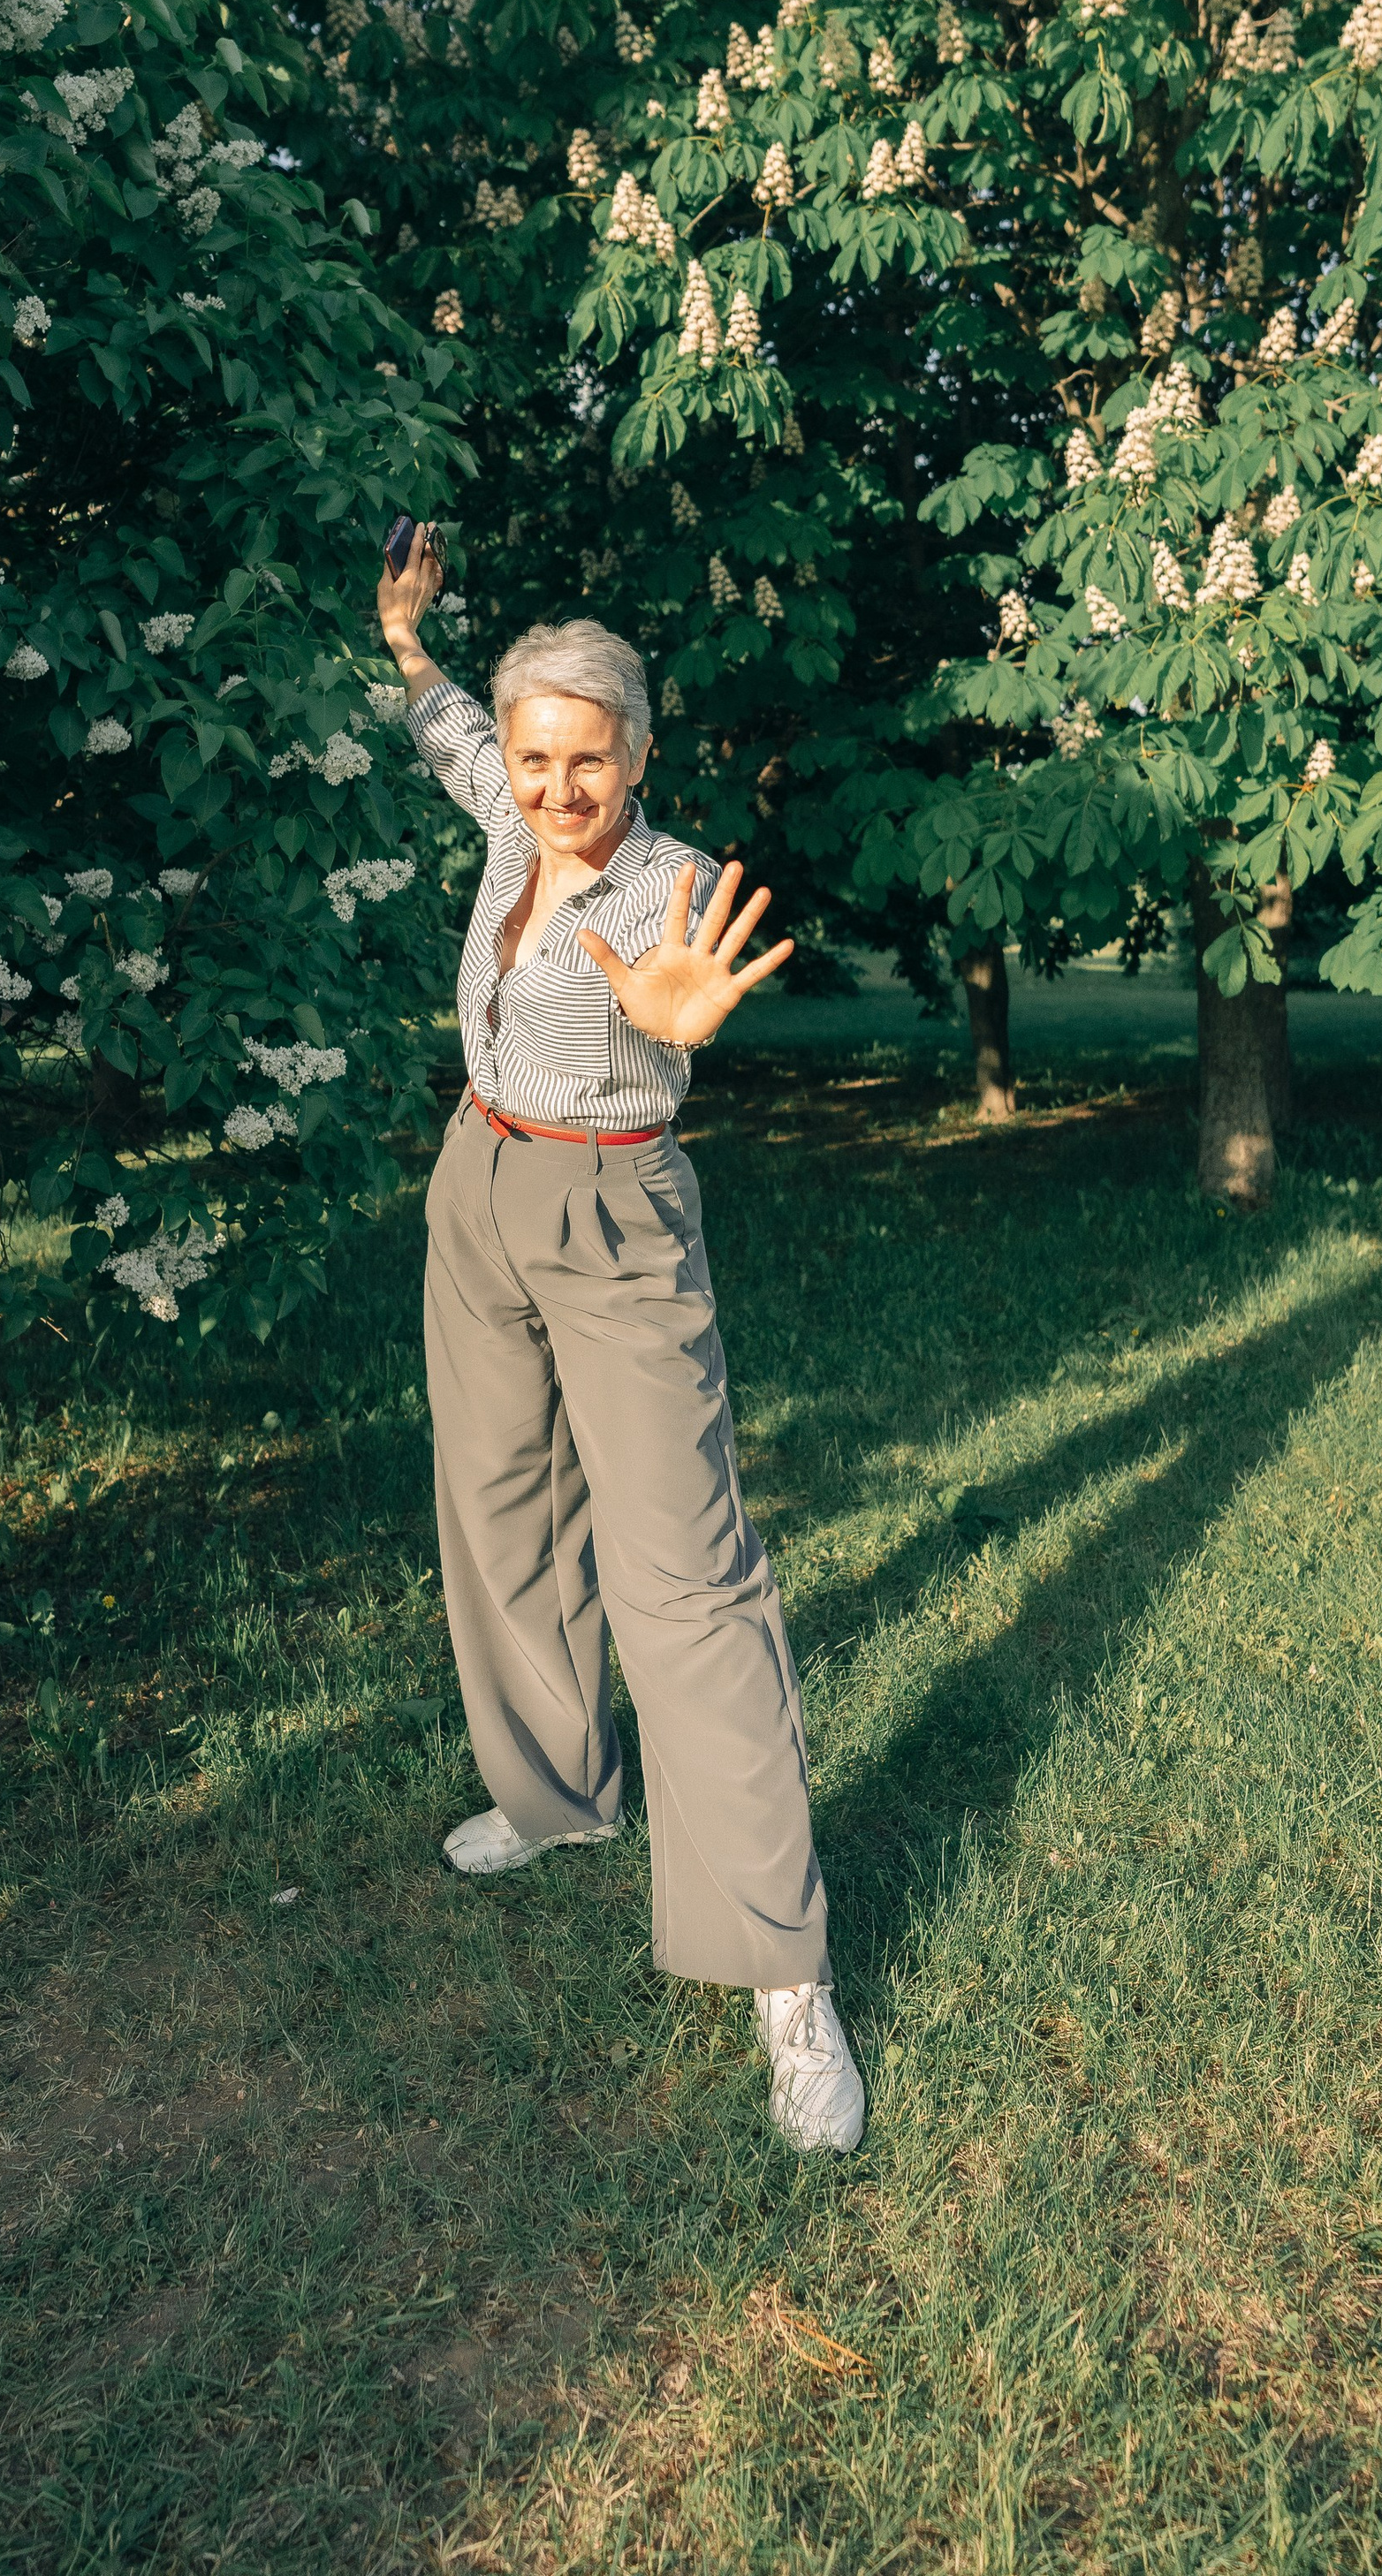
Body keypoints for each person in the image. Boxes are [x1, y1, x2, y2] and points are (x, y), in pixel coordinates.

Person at [375, 523, 864, 2155]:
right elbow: (454, 732)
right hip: (480, 1182)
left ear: (639, 758)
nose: (557, 788)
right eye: (536, 759)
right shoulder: (510, 828)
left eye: (590, 759)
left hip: (612, 1212)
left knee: (685, 1580)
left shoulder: (672, 883)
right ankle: (559, 1798)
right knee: (504, 1510)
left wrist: (671, 1023)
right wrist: (413, 648)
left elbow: (673, 984)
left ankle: (782, 1977)